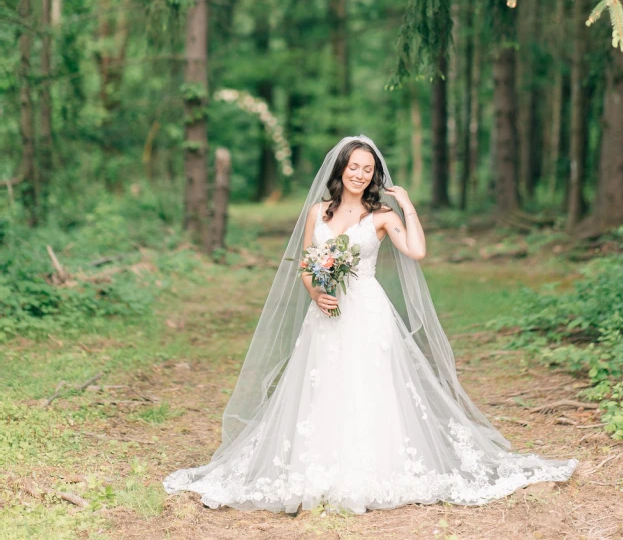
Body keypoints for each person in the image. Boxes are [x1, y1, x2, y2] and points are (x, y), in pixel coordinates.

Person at [164, 135, 576, 514]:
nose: (360, 174)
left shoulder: (380, 216)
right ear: (340, 169)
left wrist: (407, 206)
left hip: (366, 310)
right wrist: (314, 291)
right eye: (354, 167)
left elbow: (416, 250)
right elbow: (307, 263)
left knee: (368, 385)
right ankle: (319, 467)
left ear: (375, 175)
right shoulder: (316, 213)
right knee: (322, 384)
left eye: (368, 169)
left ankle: (371, 469)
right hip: (325, 312)